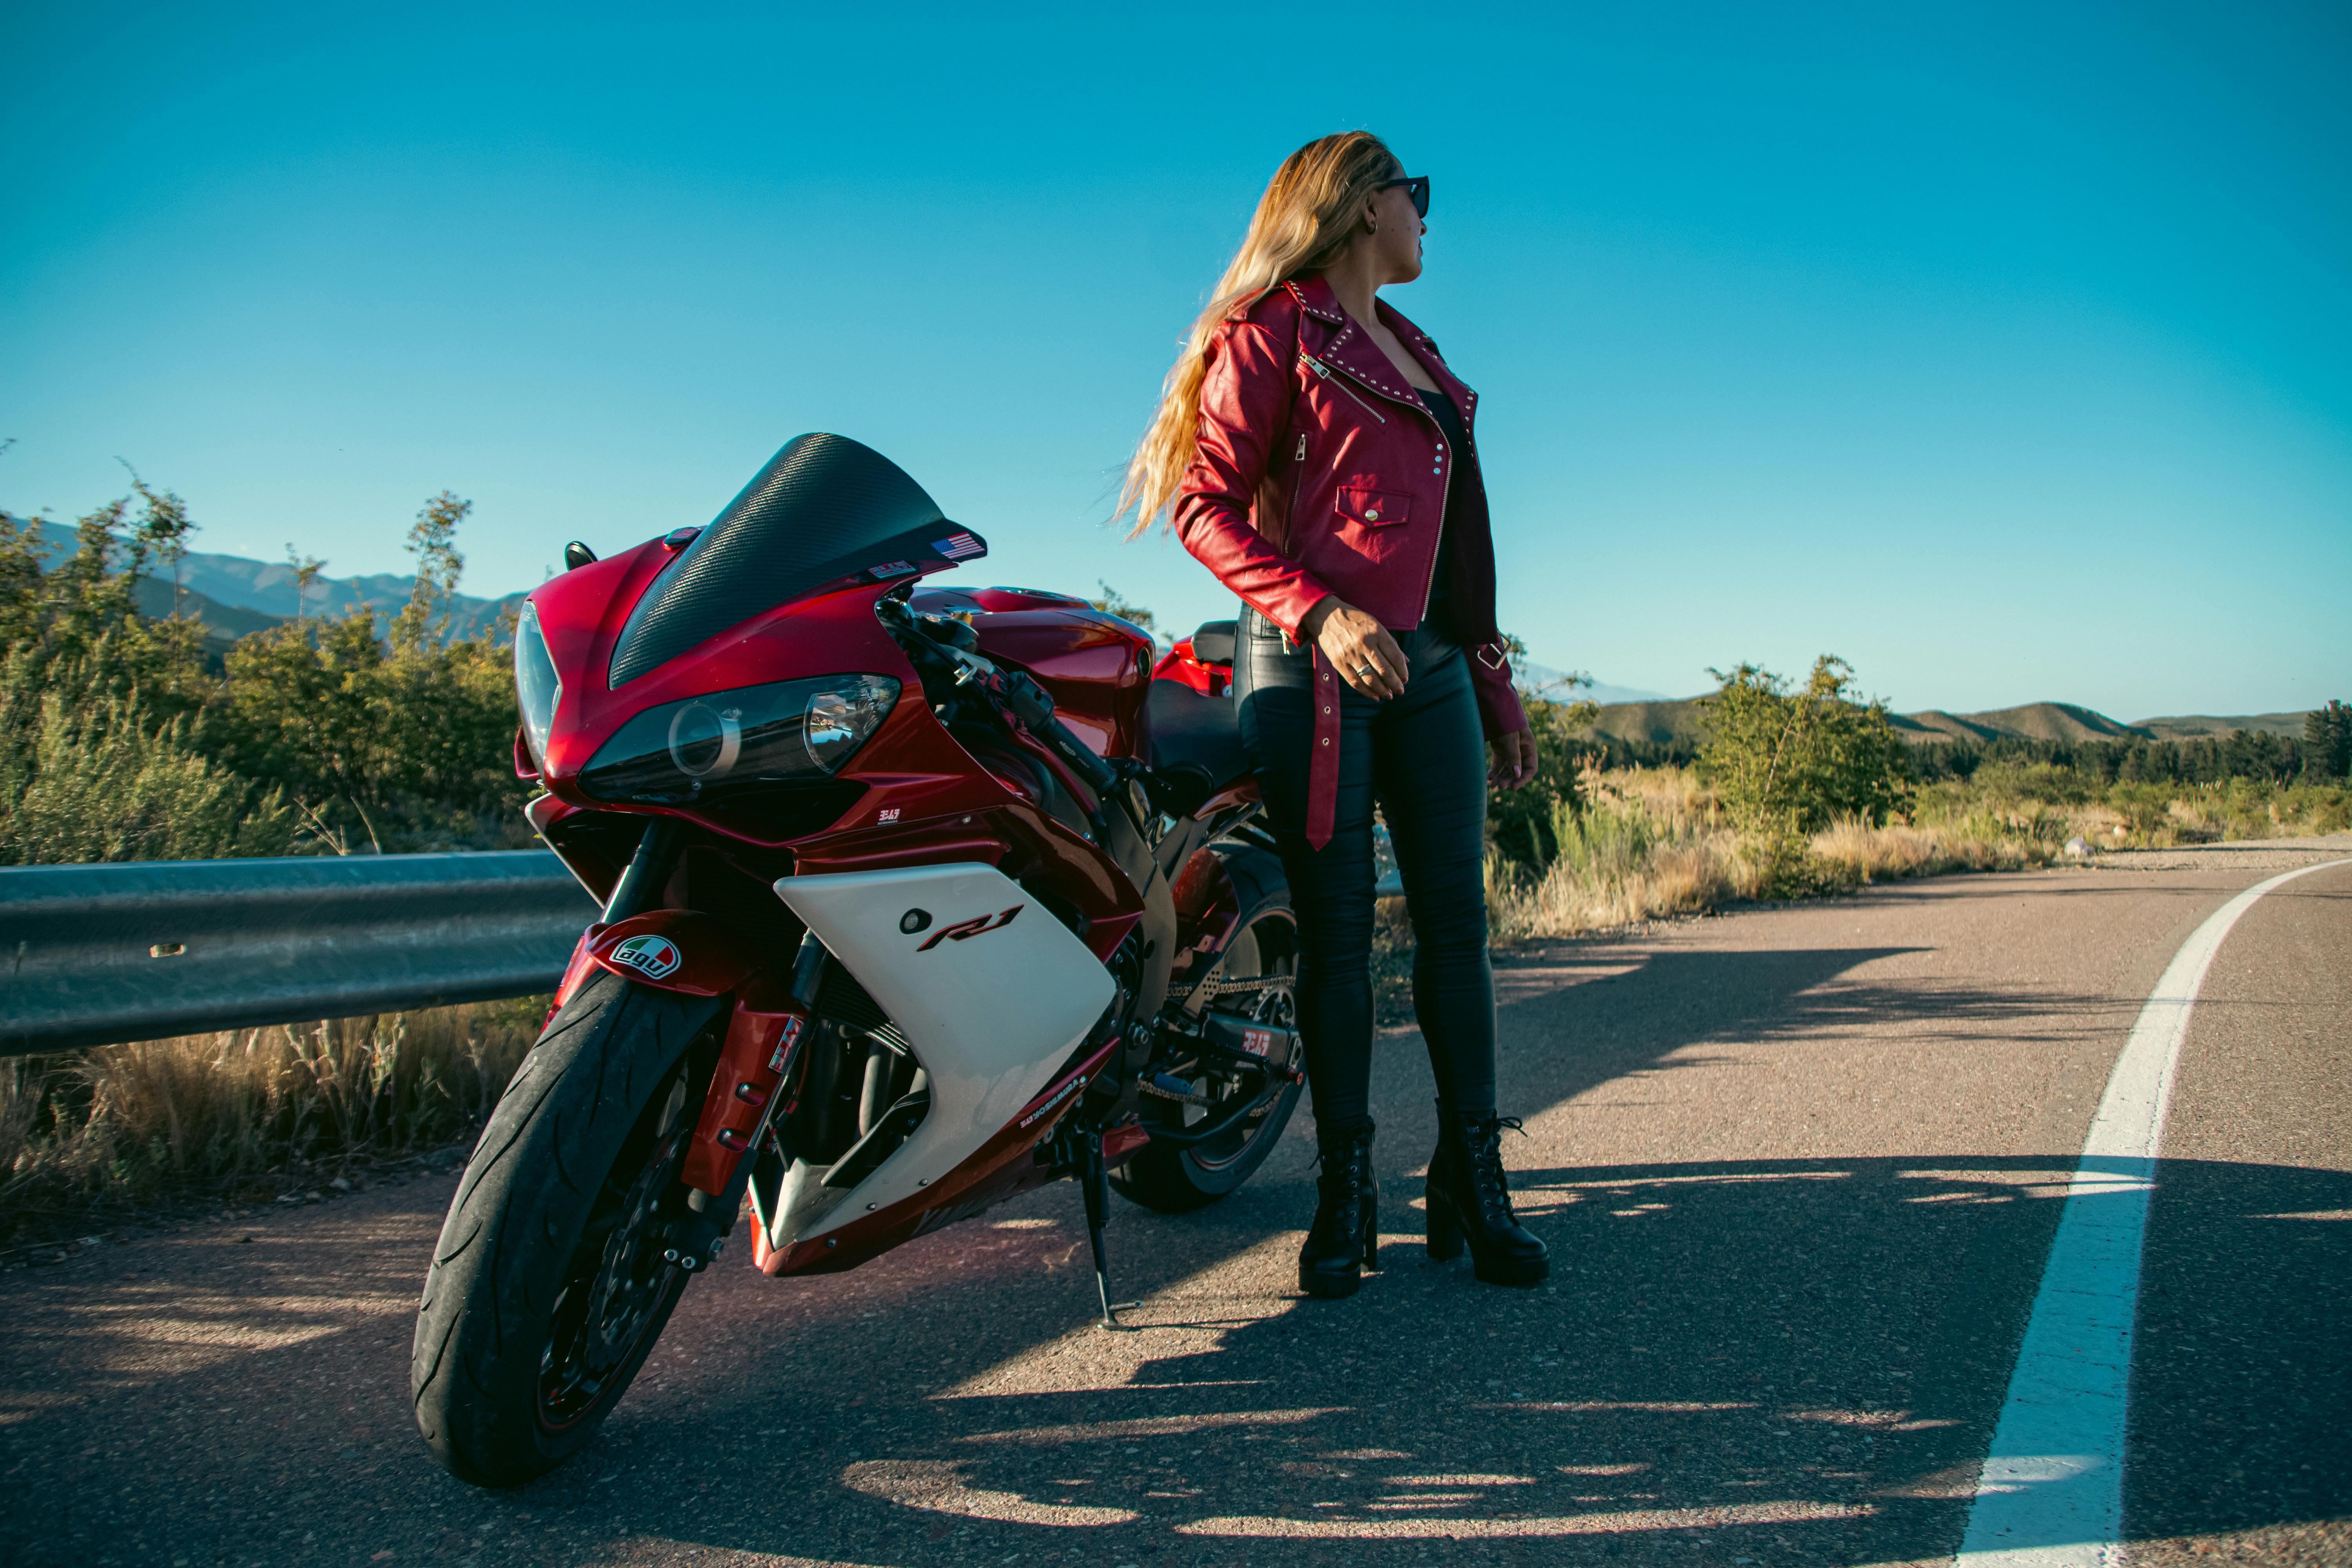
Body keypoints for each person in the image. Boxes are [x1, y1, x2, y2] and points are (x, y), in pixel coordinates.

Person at [1120, 132, 1548, 1298]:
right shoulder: (1273, 332)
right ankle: (1345, 1190)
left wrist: (1496, 686)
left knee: (1457, 931)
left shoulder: (1422, 355)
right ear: (1365, 205)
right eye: (1417, 195)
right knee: (1342, 932)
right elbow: (1204, 508)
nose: (1427, 216)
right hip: (1306, 667)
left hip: (1435, 667)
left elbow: (1466, 561)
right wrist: (1317, 616)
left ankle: (1472, 1179)